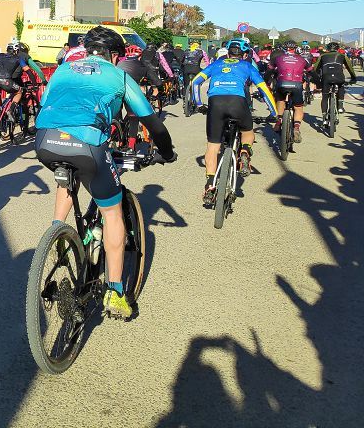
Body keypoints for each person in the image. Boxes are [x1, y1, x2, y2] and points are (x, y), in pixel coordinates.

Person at [34, 26, 176, 320]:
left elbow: (46, 102)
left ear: (87, 51)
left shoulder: (63, 69)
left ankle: (59, 233)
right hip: (87, 144)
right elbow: (153, 122)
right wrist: (166, 151)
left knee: (67, 177)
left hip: (45, 140)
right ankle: (116, 292)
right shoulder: (119, 75)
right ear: (114, 55)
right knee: (111, 213)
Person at [191, 38, 277, 205]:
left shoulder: (216, 64)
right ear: (245, 54)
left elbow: (195, 82)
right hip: (238, 103)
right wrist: (273, 113)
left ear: (228, 51)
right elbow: (264, 89)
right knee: (247, 132)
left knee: (213, 147)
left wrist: (200, 104)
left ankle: (210, 186)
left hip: (215, 104)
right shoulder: (247, 66)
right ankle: (244, 152)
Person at [0, 39, 48, 131]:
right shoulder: (19, 58)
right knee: (19, 91)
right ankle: (11, 110)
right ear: (16, 50)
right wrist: (35, 84)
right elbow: (29, 71)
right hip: (9, 81)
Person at [267, 41, 311, 142]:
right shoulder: (302, 59)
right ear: (295, 49)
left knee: (280, 100)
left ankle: (278, 123)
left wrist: (266, 82)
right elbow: (311, 71)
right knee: (298, 107)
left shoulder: (278, 58)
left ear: (284, 49)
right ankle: (296, 128)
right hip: (296, 85)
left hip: (281, 84)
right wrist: (318, 83)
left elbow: (269, 71)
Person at [311, 41, 356, 115]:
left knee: (325, 96)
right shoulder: (342, 55)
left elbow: (315, 69)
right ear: (338, 49)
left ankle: (324, 117)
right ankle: (340, 107)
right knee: (341, 86)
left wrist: (315, 80)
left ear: (328, 49)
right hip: (339, 77)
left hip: (326, 78)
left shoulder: (322, 56)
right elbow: (350, 67)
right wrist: (353, 78)